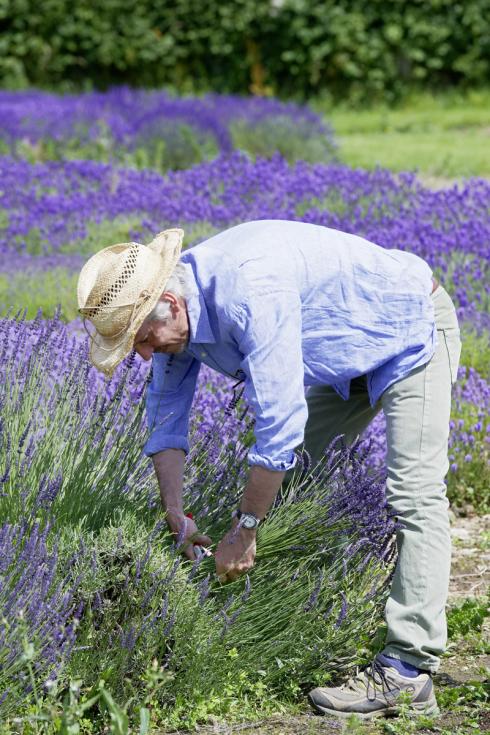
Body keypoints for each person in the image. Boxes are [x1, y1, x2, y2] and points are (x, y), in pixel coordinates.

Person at [77, 220, 461, 720]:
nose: (144, 353)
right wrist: (175, 511)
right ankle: (309, 609)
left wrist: (246, 528)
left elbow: (279, 424)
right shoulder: (176, 315)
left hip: (411, 329)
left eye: (142, 338)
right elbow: (166, 412)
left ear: (169, 303)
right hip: (346, 353)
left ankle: (408, 668)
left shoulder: (247, 290)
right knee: (295, 481)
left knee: (413, 492)